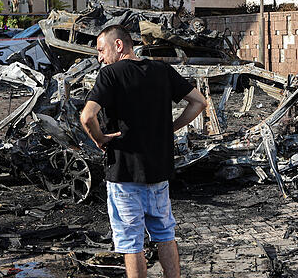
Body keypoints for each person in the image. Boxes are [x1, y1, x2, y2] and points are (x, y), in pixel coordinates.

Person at [80, 25, 206, 278]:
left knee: (131, 244)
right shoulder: (162, 70)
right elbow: (199, 102)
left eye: (101, 50)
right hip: (159, 172)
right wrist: (170, 128)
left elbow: (87, 116)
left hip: (124, 174)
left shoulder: (110, 75)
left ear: (119, 45)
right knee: (165, 236)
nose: (100, 58)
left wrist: (100, 138)